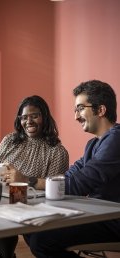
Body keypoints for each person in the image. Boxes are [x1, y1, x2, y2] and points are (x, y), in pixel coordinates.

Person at [24, 80, 120, 258]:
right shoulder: (94, 144)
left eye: (81, 108)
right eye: (75, 110)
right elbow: (70, 176)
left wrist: (28, 180)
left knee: (41, 240)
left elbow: (79, 184)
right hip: (99, 214)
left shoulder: (116, 140)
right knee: (31, 227)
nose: (76, 117)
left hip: (113, 220)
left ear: (101, 110)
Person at [0, 95, 69, 258]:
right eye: (24, 117)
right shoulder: (9, 141)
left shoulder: (57, 151)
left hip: (32, 206)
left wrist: (22, 179)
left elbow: (54, 192)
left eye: (34, 116)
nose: (28, 121)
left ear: (45, 117)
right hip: (1, 199)